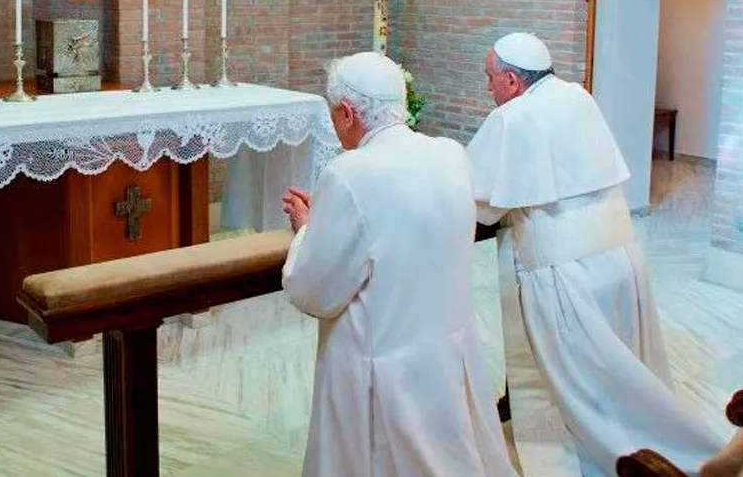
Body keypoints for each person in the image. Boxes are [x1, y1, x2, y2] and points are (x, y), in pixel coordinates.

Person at [466, 31, 728, 476]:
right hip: (618, 252)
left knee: (585, 382)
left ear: (511, 80)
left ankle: (633, 457)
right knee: (621, 367)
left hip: (562, 268)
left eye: (490, 78)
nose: (488, 87)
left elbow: (479, 201)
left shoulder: (511, 119)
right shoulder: (577, 96)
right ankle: (665, 442)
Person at [280, 51, 518, 477]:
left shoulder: (348, 173)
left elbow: (312, 289)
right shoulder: (449, 154)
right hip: (445, 351)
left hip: (379, 365)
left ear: (348, 113)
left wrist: (306, 229)